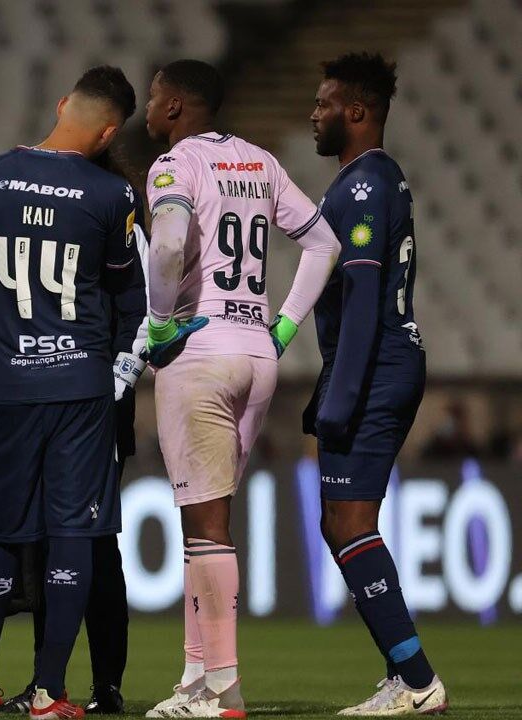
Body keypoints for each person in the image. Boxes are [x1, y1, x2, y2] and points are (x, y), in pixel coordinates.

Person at [0, 65, 142, 720]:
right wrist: (120, 375)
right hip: (79, 388)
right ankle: (49, 692)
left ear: (61, 105)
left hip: (5, 385)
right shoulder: (111, 193)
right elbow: (129, 298)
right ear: (109, 132)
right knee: (72, 536)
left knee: (0, 538)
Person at [140, 59, 339, 719]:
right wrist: (284, 326)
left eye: (153, 97)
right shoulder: (259, 162)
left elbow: (168, 246)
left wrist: (160, 324)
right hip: (256, 353)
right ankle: (196, 675)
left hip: (199, 350)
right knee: (205, 522)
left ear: (174, 106)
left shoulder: (175, 164)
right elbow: (323, 244)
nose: (147, 109)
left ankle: (223, 689)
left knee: (206, 527)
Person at [308, 51, 446, 716]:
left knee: (351, 521)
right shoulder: (367, 180)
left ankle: (417, 681)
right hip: (376, 363)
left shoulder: (363, 185)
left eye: (325, 103)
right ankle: (403, 673)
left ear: (356, 111)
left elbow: (363, 299)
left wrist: (338, 397)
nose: (314, 114)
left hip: (377, 364)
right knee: (338, 521)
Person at [0, 148, 147, 718]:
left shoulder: (122, 227)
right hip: (50, 399)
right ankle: (47, 681)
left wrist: (113, 386)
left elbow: (143, 314)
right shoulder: (71, 221)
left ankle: (105, 683)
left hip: (95, 406)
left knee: (93, 544)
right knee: (49, 543)